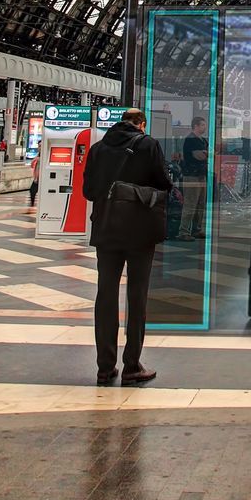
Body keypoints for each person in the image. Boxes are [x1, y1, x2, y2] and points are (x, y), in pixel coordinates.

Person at [78, 108, 171, 385]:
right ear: (141, 124)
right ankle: (132, 366)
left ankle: (105, 368)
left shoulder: (98, 149)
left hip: (106, 228)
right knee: (137, 295)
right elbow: (164, 183)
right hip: (140, 230)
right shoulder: (148, 145)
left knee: (105, 295)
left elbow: (88, 191)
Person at [178, 116, 209, 240]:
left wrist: (207, 153)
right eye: (202, 125)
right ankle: (184, 231)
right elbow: (200, 156)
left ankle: (197, 229)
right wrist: (207, 154)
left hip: (201, 175)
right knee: (190, 203)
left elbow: (207, 153)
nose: (205, 127)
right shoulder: (190, 140)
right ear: (195, 126)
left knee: (200, 203)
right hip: (191, 176)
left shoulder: (203, 140)